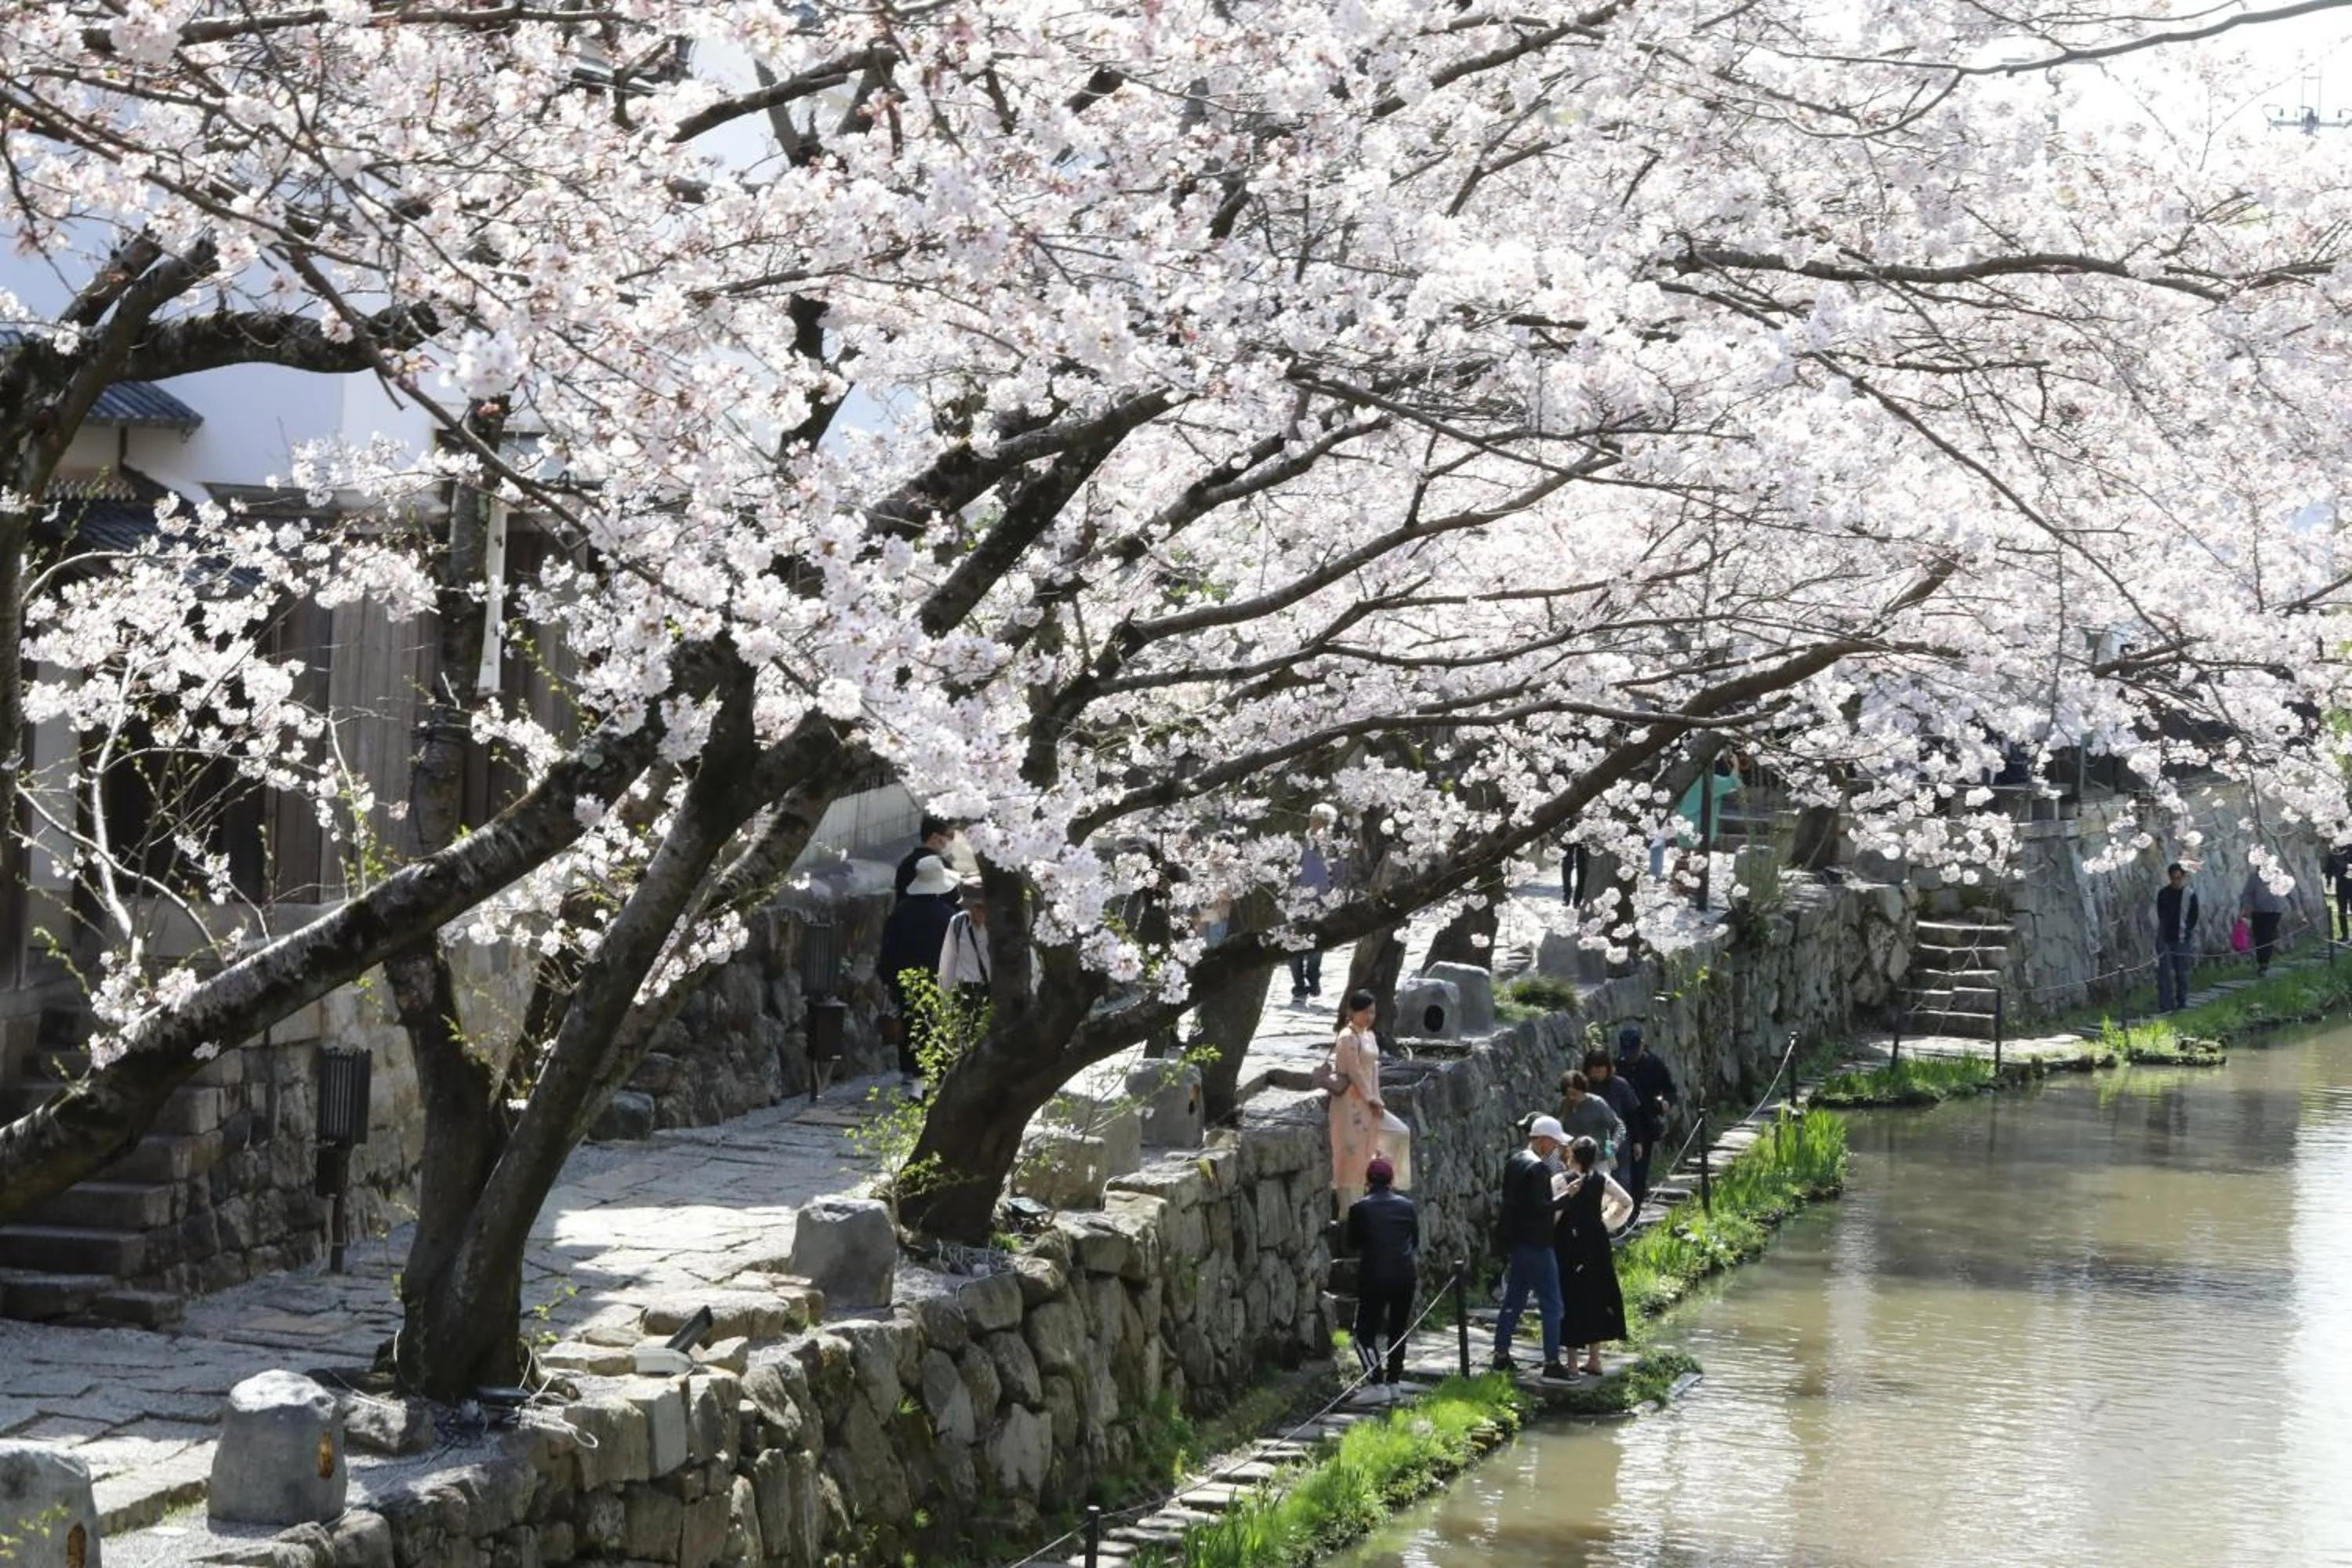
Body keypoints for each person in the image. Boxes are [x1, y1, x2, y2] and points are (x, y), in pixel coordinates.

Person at [1492, 1116, 1575, 1381]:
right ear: (1541, 1139)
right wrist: (1566, 1198)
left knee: (1513, 1300)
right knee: (1553, 1304)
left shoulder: (1515, 1161)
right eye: (1553, 1142)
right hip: (1538, 1242)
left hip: (1517, 1242)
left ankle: (1501, 1355)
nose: (1555, 1148)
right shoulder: (1538, 1169)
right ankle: (1552, 1362)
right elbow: (1540, 1208)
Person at [1553, 1135, 1633, 1376]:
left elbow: (1553, 1211)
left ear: (1572, 1155)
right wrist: (1607, 1222)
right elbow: (1626, 1201)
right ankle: (1595, 1359)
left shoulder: (1560, 1180)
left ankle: (1572, 1363)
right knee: (1595, 1294)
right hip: (1596, 1242)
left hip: (1569, 1243)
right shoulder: (1602, 1179)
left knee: (1571, 1297)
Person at [878, 855, 960, 1076]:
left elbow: (888, 952)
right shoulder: (949, 916)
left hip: (907, 982)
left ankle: (912, 1079)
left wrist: (889, 979)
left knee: (910, 1028)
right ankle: (934, 1076)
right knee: (937, 1030)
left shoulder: (901, 913)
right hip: (941, 982)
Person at [1345, 1155, 1418, 1386]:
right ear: (1391, 1181)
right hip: (1405, 1275)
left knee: (1362, 1334)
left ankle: (1376, 1381)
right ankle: (1394, 1382)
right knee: (1398, 1329)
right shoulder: (1407, 1206)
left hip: (1374, 1276)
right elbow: (1414, 1241)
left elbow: (1353, 1243)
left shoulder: (1359, 1208)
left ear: (1367, 1181)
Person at [1327, 989, 1386, 1214]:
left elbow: (1373, 1070)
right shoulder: (1347, 1037)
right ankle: (1346, 1210)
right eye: (1364, 1012)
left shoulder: (1369, 1036)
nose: (1369, 1016)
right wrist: (1370, 1096)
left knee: (1366, 1152)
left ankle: (1365, 1200)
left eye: (1372, 1012)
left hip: (1367, 1100)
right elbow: (1353, 1070)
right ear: (1352, 1012)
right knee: (1349, 1152)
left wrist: (1376, 1097)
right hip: (1349, 1102)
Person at [1615, 1025, 1677, 1210]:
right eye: (1627, 1052)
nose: (1630, 1056)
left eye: (1634, 1051)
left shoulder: (1654, 1065)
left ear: (1643, 1045)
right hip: (1622, 1123)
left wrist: (1666, 1102)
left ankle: (1634, 1211)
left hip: (1645, 1124)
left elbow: (1670, 1090)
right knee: (1620, 1172)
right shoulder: (1617, 1065)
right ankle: (1620, 1212)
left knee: (1639, 1171)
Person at [1291, 804, 1341, 1002]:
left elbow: (1339, 872)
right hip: (1297, 900)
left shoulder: (1333, 847)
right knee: (1293, 947)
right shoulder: (1299, 843)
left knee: (1316, 946)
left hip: (1322, 901)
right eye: (1313, 817)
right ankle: (1299, 987)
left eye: (1319, 819)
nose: (1314, 822)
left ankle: (1313, 975)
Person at [1587, 1050, 1646, 1196]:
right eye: (1594, 1071)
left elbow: (1632, 1114)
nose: (1597, 1075)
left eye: (1601, 1071)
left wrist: (1637, 1141)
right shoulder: (1586, 1086)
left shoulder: (1620, 1085)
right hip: (1593, 1141)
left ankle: (1623, 1214)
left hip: (1618, 1140)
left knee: (1621, 1180)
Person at [937, 875, 993, 1008]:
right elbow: (947, 965)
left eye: (979, 907)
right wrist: (945, 1004)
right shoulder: (957, 923)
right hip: (966, 994)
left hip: (996, 991)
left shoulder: (1002, 926)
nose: (974, 912)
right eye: (969, 907)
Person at [2154, 862, 2200, 1014]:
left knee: (2182, 972)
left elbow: (2194, 916)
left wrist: (2187, 931)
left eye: (2179, 878)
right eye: (2173, 878)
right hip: (2165, 937)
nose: (2176, 881)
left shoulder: (2190, 895)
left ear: (2184, 877)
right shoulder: (2163, 894)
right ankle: (2166, 1005)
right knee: (2164, 973)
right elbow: (2161, 914)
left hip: (2182, 938)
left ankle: (2182, 1001)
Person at [1558, 1068, 1625, 1165]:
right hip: (1573, 1161)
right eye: (1568, 1095)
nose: (1571, 1098)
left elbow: (1618, 1126)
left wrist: (1613, 1145)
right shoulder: (1564, 1106)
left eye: (1574, 1094)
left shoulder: (1598, 1104)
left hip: (1598, 1160)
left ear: (1582, 1090)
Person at [2238, 864, 2288, 976]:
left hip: (2274, 911)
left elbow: (2289, 890)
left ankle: (2264, 963)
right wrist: (2247, 905)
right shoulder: (2254, 877)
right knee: (2259, 937)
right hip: (2258, 911)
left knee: (2267, 936)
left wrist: (2297, 907)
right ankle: (2262, 961)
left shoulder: (2278, 876)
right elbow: (2246, 894)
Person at [895, 814, 957, 902]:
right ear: (936, 837)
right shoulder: (940, 866)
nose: (952, 841)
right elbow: (953, 900)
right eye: (951, 836)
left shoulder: (905, 863)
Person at [2330, 844, 2352, 942]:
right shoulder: (2335, 850)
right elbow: (2330, 866)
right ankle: (2345, 936)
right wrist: (2328, 879)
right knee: (2342, 911)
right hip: (2341, 884)